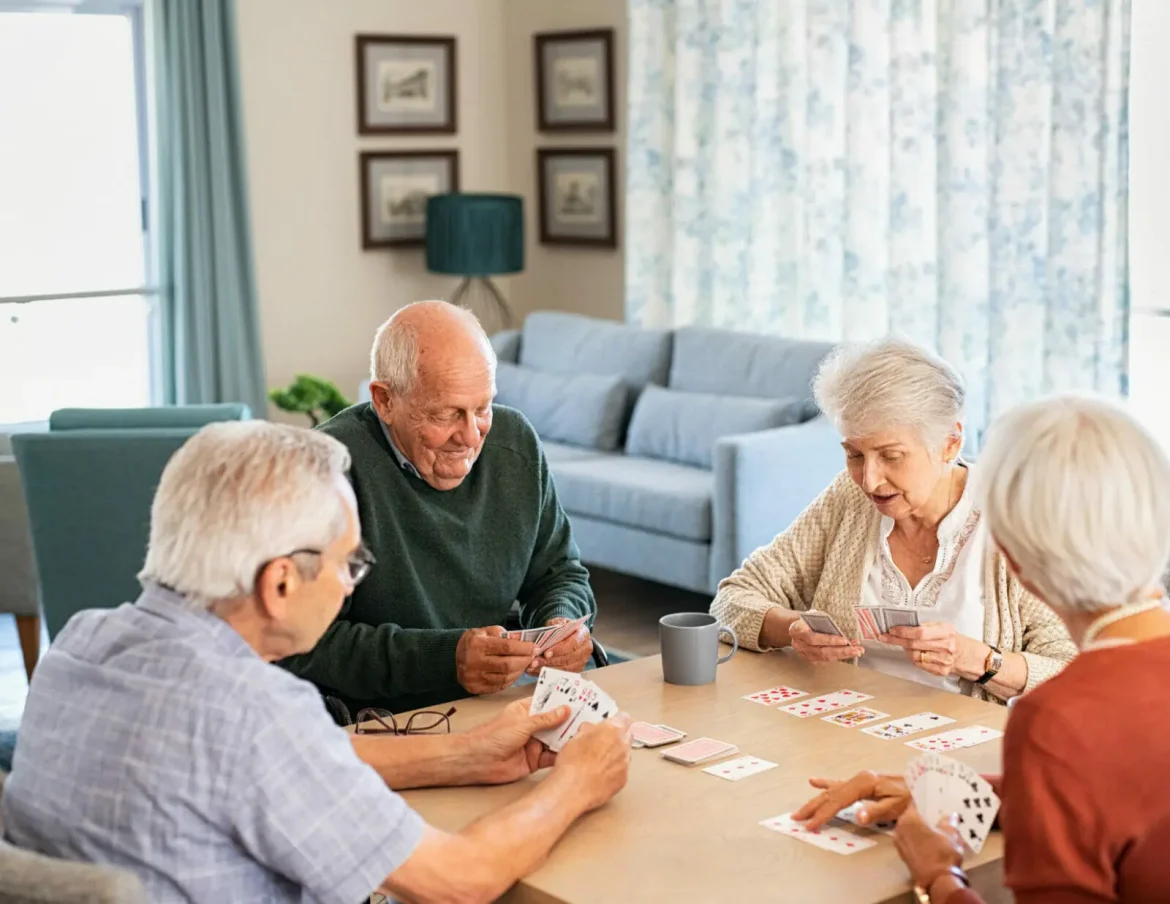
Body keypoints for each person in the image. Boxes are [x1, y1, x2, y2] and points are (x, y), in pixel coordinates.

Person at [2, 422, 632, 903]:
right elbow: (458, 881)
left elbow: (275, 765)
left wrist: (469, 751)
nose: (351, 585)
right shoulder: (256, 711)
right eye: (348, 563)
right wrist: (577, 784)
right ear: (279, 584)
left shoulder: (80, 645)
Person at [792, 394, 1170, 902]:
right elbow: (1129, 791)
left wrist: (937, 877)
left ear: (1011, 559)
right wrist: (973, 795)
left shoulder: (1059, 718)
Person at [710, 337, 1075, 701]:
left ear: (950, 442)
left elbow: (1075, 672)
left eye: (891, 455)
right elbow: (731, 601)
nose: (869, 480)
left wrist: (981, 660)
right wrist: (792, 629)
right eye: (854, 454)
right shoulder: (851, 499)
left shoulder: (1013, 516)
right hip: (846, 728)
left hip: (967, 744)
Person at [282, 301, 596, 716]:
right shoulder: (325, 471)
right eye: (446, 414)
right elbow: (302, 642)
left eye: (482, 408)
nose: (470, 436)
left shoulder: (514, 442)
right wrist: (445, 660)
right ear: (384, 400)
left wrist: (562, 625)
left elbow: (560, 573)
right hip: (373, 722)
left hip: (495, 705)